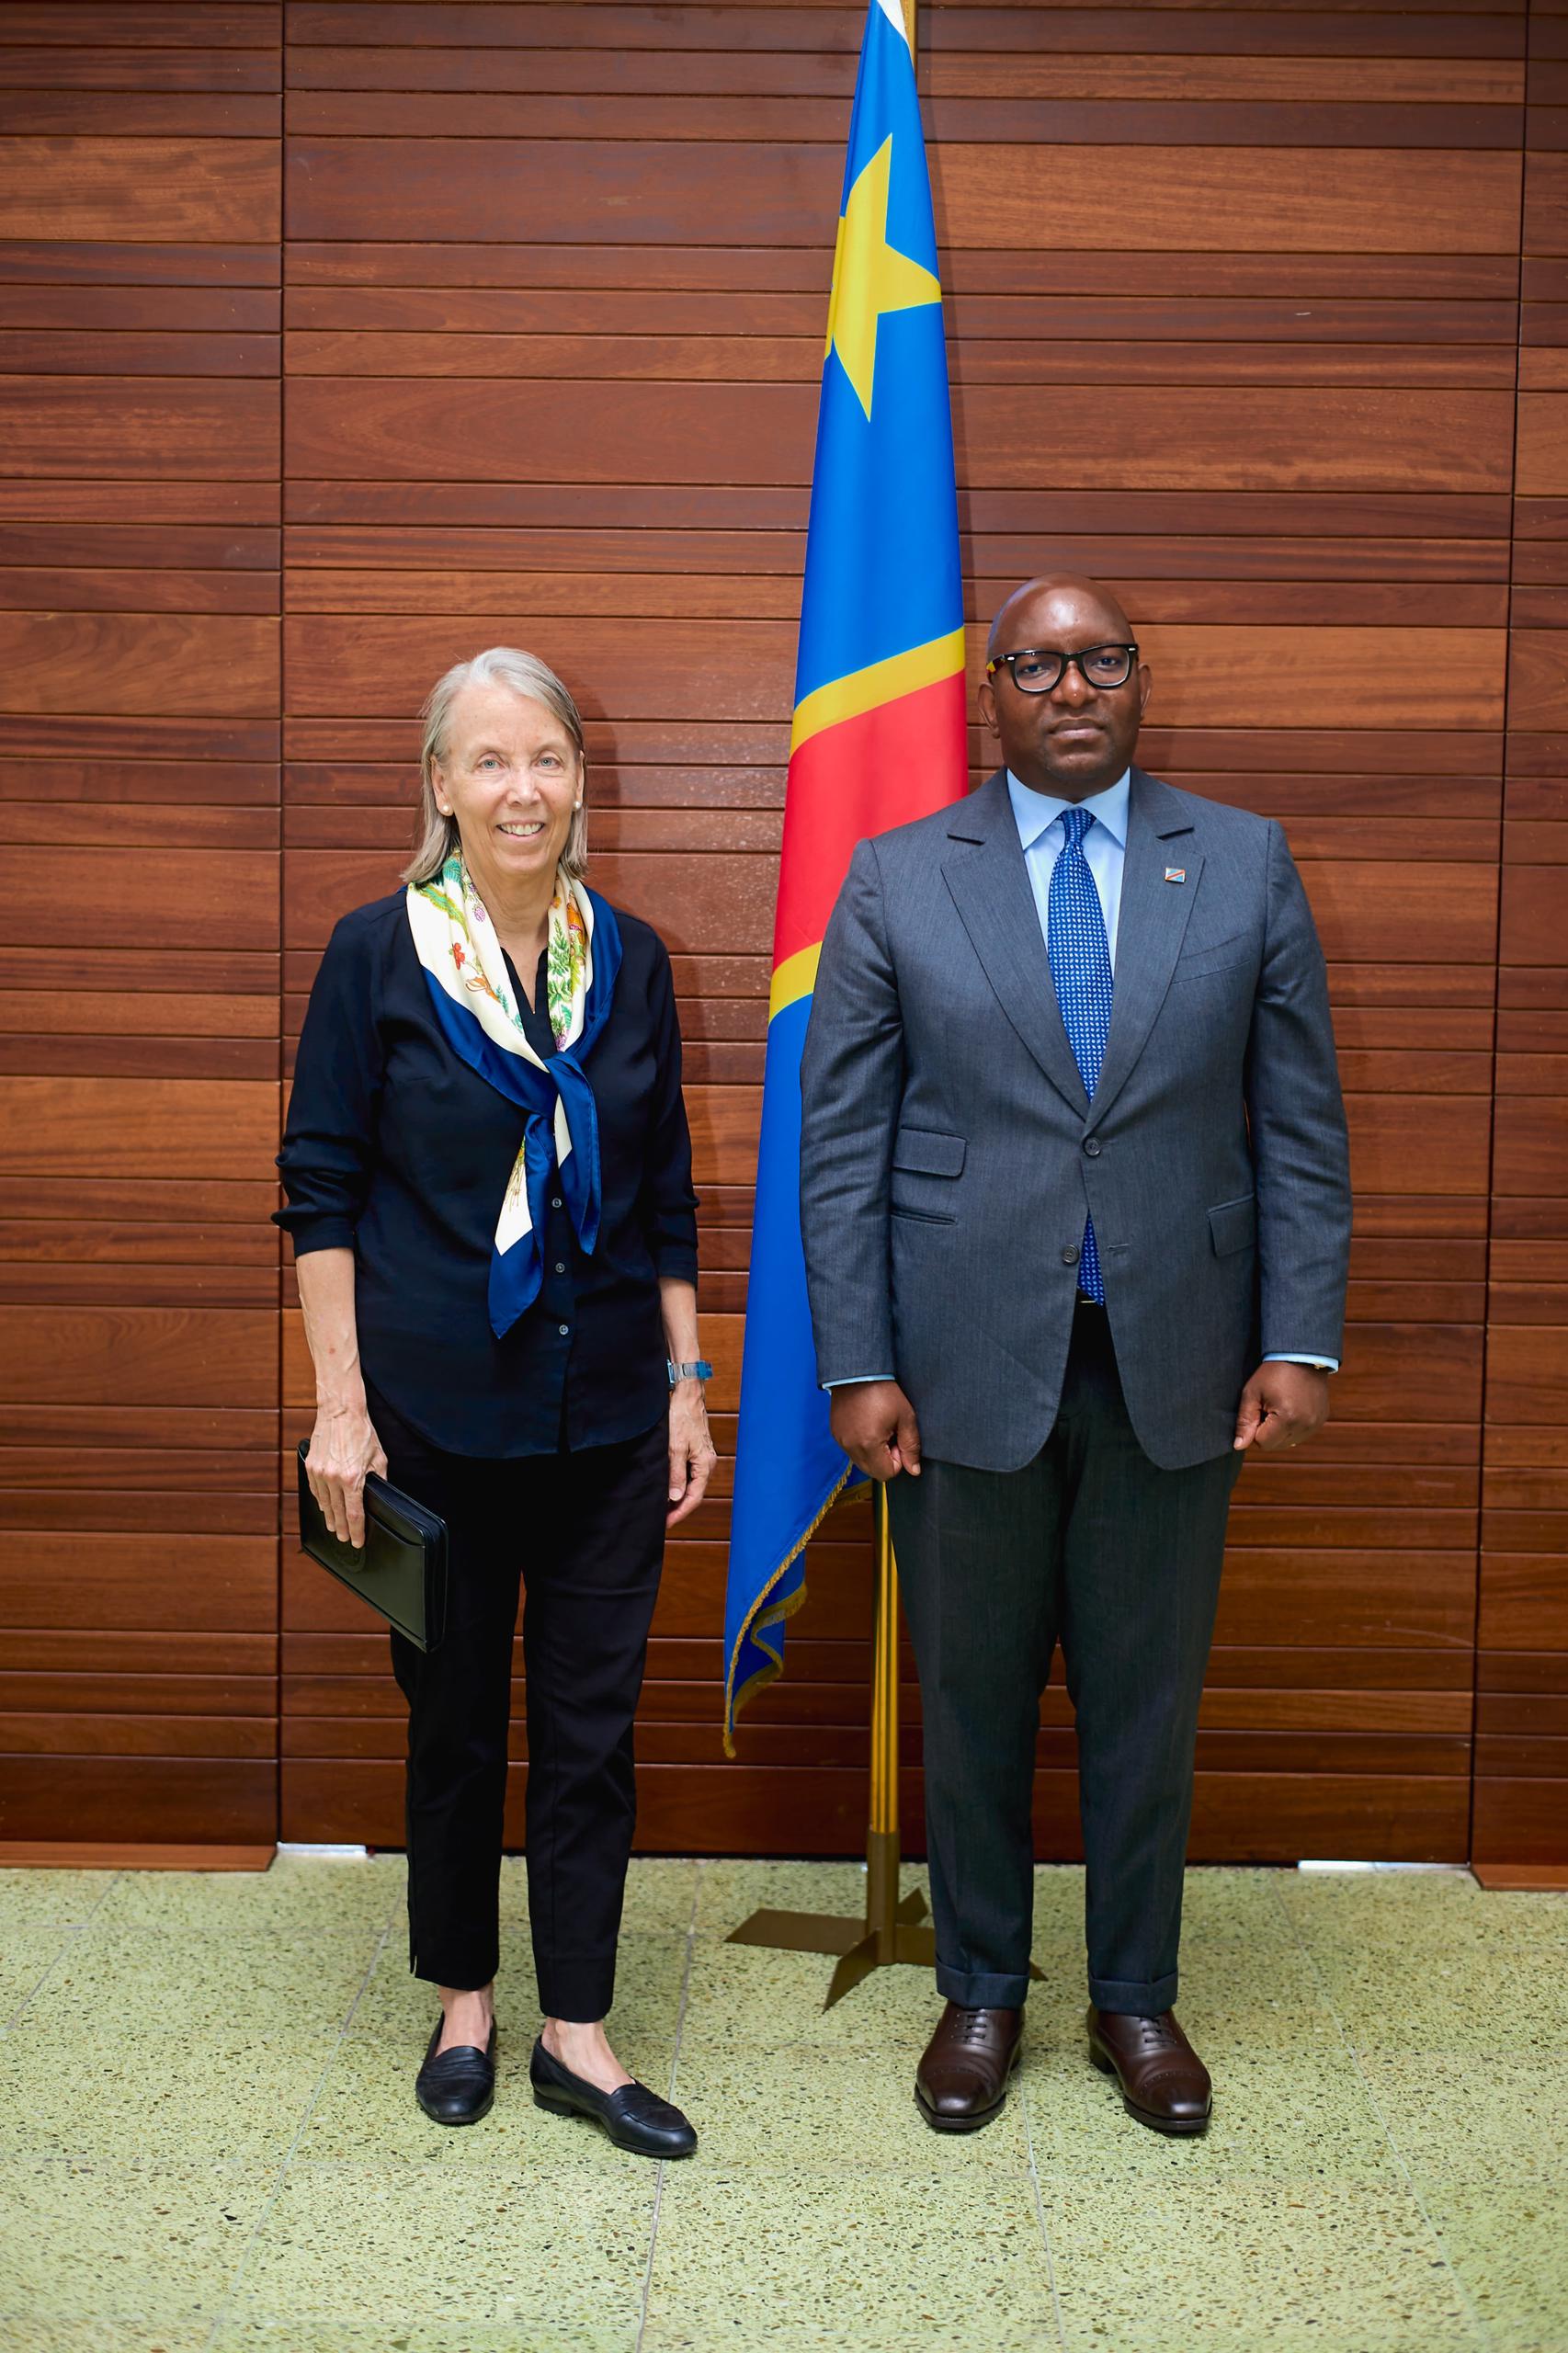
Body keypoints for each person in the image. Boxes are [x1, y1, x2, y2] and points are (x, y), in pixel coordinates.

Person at [799, 575, 1351, 2137]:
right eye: (1035, 664)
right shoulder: (900, 876)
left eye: (1097, 659)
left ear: (1136, 677)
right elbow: (838, 1144)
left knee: (1142, 1703)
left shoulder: (1239, 861)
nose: (1069, 686)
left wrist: (1295, 1336)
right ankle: (979, 1993)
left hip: (1178, 1356)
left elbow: (1298, 1125)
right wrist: (857, 1360)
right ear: (992, 691)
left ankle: (1133, 2000)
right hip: (957, 1361)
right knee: (969, 1698)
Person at [278, 645, 714, 2157]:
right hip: (431, 1418)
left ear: (582, 782)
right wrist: (341, 1406)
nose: (520, 787)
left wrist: (684, 1380)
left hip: (602, 1413)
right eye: (488, 760)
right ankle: (461, 1998)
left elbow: (661, 1191)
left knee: (589, 1734)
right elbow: (319, 1191)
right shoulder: (373, 955)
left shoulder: (635, 956)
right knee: (454, 1725)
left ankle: (572, 2033)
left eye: (546, 759)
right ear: (440, 788)